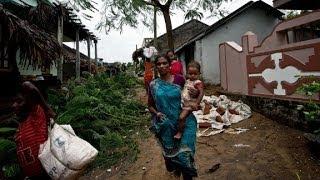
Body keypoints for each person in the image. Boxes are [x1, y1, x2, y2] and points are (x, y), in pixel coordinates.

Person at [148, 55, 198, 179]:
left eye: (164, 63)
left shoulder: (180, 80)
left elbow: (192, 96)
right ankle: (175, 167)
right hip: (166, 125)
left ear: (170, 64)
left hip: (185, 121)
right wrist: (157, 113)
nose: (162, 66)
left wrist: (196, 93)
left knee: (185, 156)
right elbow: (150, 105)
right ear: (156, 66)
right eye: (159, 64)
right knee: (171, 160)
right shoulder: (153, 85)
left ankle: (187, 174)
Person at [13, 81, 54, 179]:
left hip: (44, 174)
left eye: (19, 101)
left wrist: (27, 85)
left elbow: (30, 87)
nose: (14, 105)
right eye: (14, 102)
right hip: (31, 176)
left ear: (29, 103)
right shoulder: (22, 125)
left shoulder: (36, 117)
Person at [174, 61, 204, 139]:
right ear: (187, 73)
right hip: (185, 102)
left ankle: (180, 132)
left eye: (195, 74)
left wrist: (196, 103)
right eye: (190, 74)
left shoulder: (198, 83)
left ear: (199, 74)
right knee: (180, 116)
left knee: (181, 117)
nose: (193, 76)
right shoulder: (188, 81)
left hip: (190, 103)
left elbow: (201, 93)